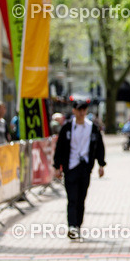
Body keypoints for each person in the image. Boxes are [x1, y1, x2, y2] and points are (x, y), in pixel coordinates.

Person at [53, 99, 106, 240]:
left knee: (81, 198)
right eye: (79, 110)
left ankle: (78, 225)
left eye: (84, 110)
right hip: (70, 167)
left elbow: (99, 146)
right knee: (72, 198)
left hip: (85, 167)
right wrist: (57, 167)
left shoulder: (92, 128)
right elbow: (60, 147)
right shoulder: (67, 127)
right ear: (74, 111)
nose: (82, 113)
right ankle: (71, 226)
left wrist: (101, 164)